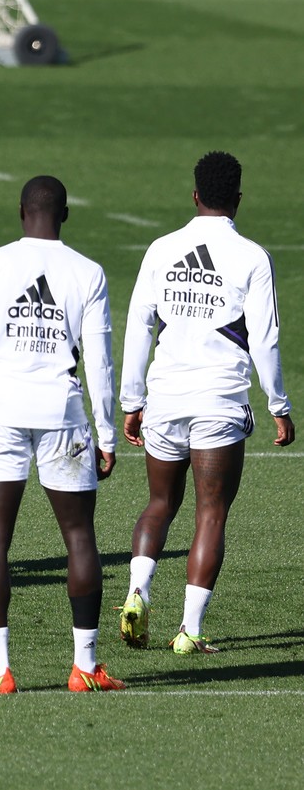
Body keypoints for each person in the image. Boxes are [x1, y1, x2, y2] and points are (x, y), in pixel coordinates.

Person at [0, 176, 123, 693]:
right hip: (63, 415)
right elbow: (100, 363)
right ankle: (85, 669)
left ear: (21, 212)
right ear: (64, 215)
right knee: (79, 539)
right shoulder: (88, 272)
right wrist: (107, 433)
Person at [118, 151, 293, 655]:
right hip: (219, 401)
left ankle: (137, 593)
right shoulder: (253, 257)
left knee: (159, 504)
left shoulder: (161, 248)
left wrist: (134, 400)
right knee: (210, 513)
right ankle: (189, 631)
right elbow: (265, 340)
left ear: (194, 196)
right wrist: (278, 404)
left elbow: (138, 326)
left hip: (165, 398)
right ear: (238, 200)